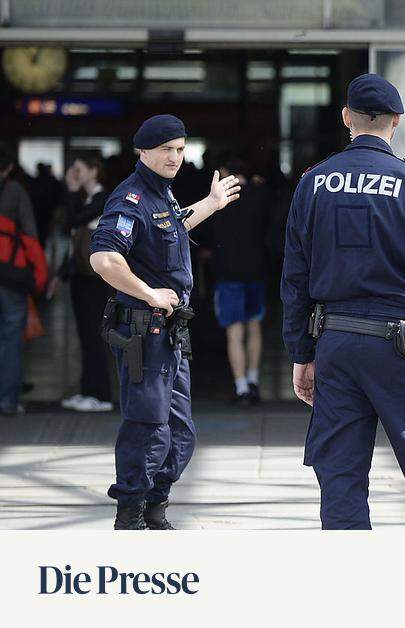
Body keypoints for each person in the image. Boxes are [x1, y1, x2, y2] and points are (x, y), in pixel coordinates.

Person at [281, 73, 405, 530]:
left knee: (341, 478)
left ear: (346, 118)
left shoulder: (313, 185)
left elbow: (295, 279)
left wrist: (301, 353)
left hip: (337, 343)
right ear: (396, 122)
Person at [90, 114, 242, 529]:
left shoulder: (162, 195)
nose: (175, 158)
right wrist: (149, 293)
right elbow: (104, 259)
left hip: (169, 335)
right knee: (148, 427)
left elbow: (170, 228)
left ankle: (156, 508)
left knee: (179, 431)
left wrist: (211, 204)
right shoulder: (131, 198)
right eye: (166, 151)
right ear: (143, 152)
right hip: (145, 329)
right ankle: (132, 513)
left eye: (180, 149)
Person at [49, 155, 115, 412]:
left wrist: (71, 191)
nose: (73, 174)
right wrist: (60, 276)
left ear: (93, 171)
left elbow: (73, 220)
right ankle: (88, 391)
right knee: (85, 337)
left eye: (78, 169)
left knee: (93, 336)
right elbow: (75, 241)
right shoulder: (87, 199)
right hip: (80, 277)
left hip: (94, 280)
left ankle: (102, 395)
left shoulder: (102, 198)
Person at [206, 159, 272, 405]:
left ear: (224, 173)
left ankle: (241, 387)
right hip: (257, 270)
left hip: (228, 272)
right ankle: (254, 381)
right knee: (254, 328)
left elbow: (206, 234)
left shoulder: (220, 200)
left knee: (234, 332)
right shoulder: (261, 195)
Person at [0, 146, 38, 415]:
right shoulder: (14, 191)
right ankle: (8, 399)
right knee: (12, 335)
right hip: (10, 273)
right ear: (10, 168)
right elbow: (30, 232)